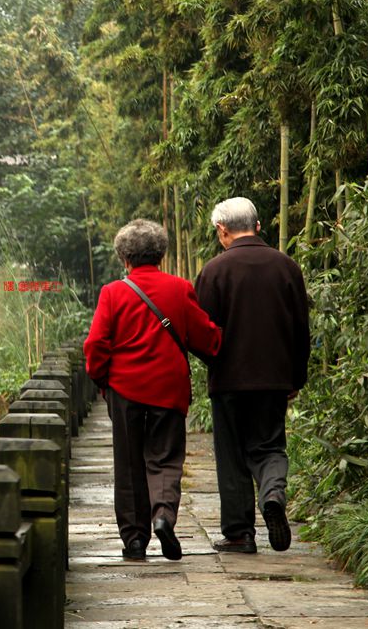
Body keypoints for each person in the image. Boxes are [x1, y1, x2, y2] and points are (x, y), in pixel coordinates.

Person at [84, 219, 222, 561]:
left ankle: (134, 539)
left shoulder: (113, 292)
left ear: (124, 258)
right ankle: (163, 515)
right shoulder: (179, 288)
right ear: (160, 254)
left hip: (125, 389)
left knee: (129, 464)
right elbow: (206, 338)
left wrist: (102, 379)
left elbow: (96, 344)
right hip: (168, 389)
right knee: (164, 459)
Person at [194, 197, 310, 554]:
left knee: (231, 455)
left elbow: (200, 330)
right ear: (258, 226)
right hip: (274, 378)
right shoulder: (286, 267)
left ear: (221, 230)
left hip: (229, 380)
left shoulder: (214, 271)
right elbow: (300, 329)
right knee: (270, 445)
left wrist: (212, 361)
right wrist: (296, 377)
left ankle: (240, 534)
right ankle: (273, 491)